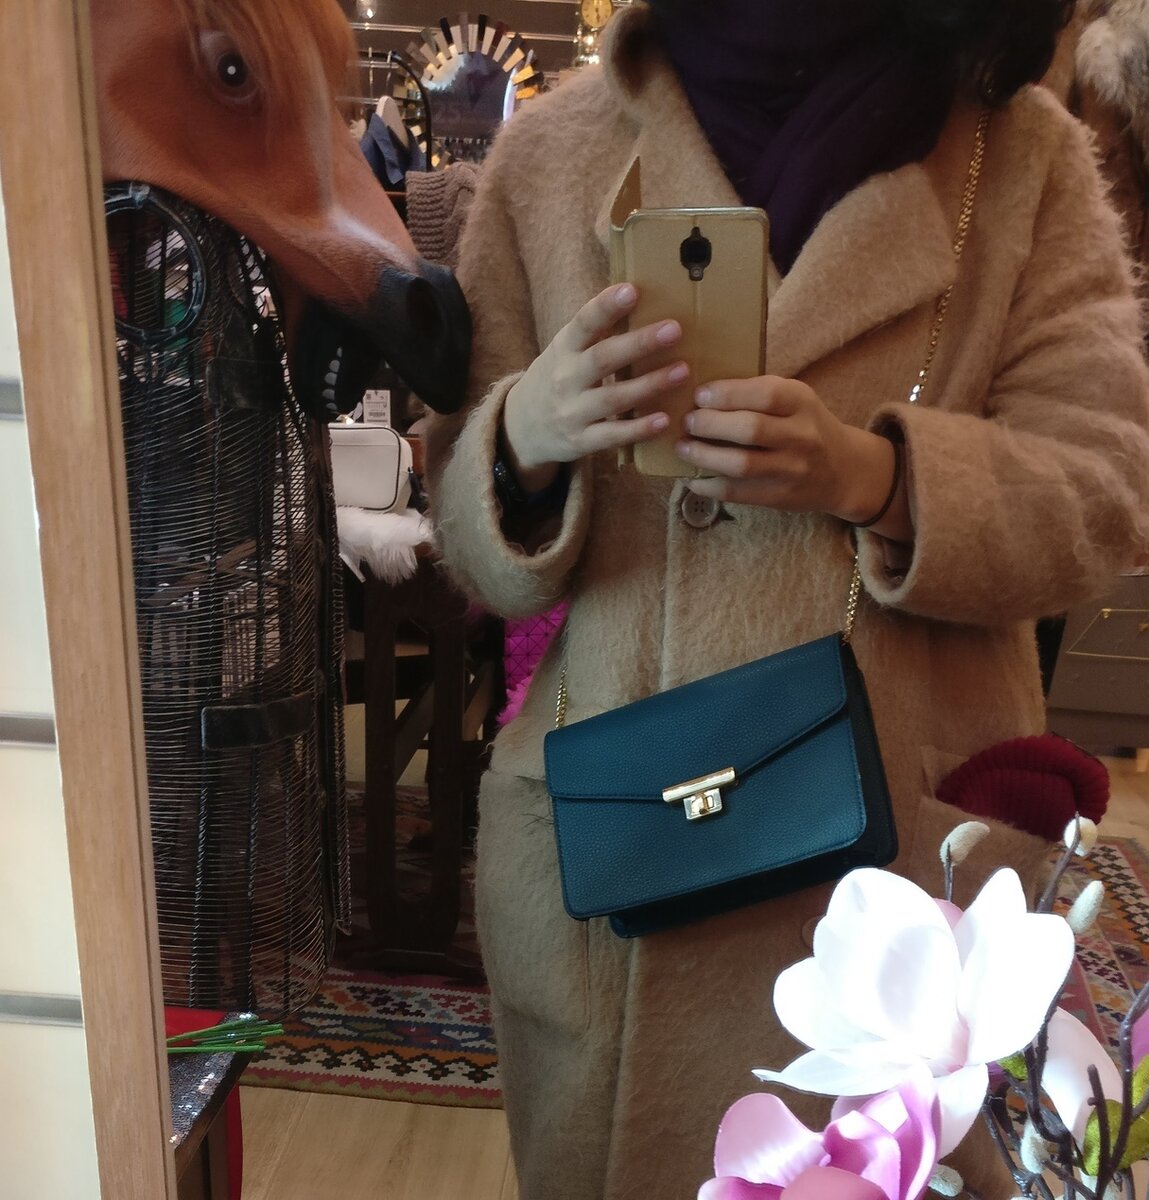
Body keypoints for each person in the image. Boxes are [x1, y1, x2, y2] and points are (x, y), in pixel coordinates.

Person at [425, 2, 1149, 1197]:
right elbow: (461, 520)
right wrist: (525, 436)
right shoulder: (551, 157)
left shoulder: (1022, 159)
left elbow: (1105, 492)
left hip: (901, 896)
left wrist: (874, 477)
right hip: (618, 868)